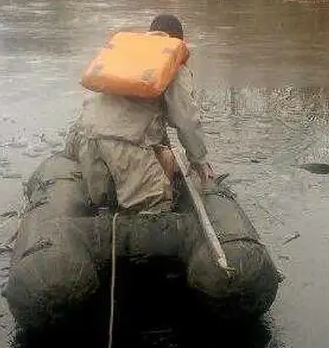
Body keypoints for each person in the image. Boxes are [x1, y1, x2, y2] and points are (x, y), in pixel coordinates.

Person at [64, 14, 215, 214]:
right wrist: (199, 161)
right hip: (123, 148)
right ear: (179, 41)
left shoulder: (128, 51)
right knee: (156, 210)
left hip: (80, 139)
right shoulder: (172, 63)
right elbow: (187, 121)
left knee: (101, 203)